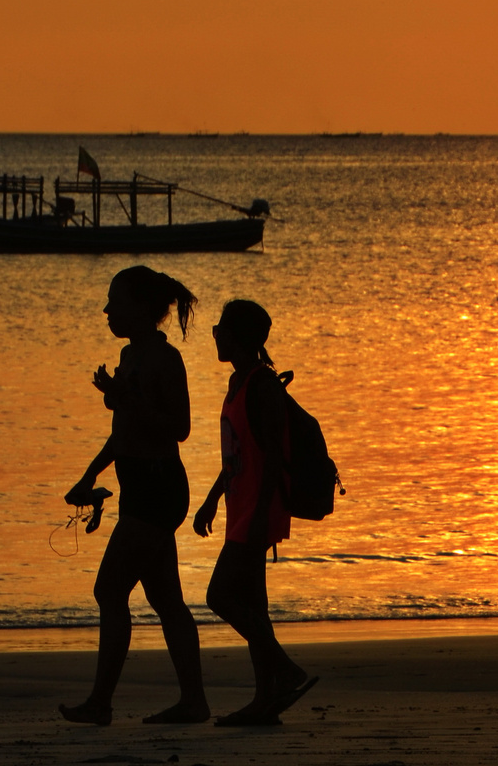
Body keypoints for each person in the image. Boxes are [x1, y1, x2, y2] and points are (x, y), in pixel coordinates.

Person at [59, 266, 209, 726]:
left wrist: (130, 396)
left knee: (109, 590)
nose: (106, 311)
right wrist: (87, 476)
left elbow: (179, 428)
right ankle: (193, 701)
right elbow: (123, 434)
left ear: (142, 310)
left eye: (115, 302)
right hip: (139, 486)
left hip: (160, 487)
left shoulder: (165, 361)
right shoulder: (128, 357)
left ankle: (101, 702)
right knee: (166, 601)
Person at [193, 299, 316, 725]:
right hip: (240, 506)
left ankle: (286, 669)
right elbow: (237, 453)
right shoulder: (237, 381)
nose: (214, 334)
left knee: (220, 596)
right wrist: (212, 499)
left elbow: (272, 457)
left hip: (257, 510)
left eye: (220, 328)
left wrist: (263, 513)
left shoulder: (262, 386)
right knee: (253, 608)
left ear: (238, 336)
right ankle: (265, 701)